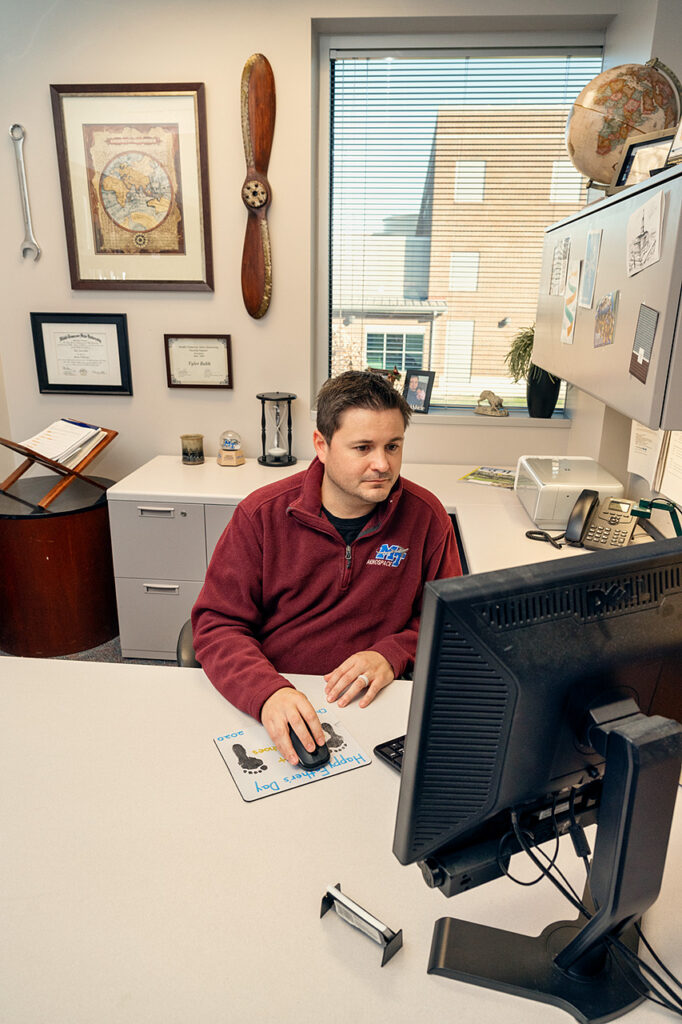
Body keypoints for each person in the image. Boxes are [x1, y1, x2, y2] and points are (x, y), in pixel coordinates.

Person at [192, 370, 462, 766]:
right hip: (279, 694)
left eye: (393, 446)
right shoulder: (261, 515)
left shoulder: (427, 518)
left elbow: (451, 622)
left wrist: (392, 652)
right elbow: (216, 624)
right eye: (363, 448)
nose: (382, 464)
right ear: (322, 445)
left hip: (377, 702)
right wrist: (268, 692)